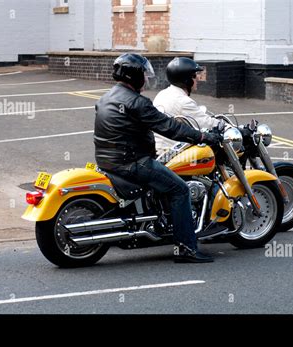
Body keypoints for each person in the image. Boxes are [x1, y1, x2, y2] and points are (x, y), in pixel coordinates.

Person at [94, 53, 221, 263]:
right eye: (144, 74)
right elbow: (168, 127)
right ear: (134, 76)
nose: (146, 78)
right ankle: (186, 248)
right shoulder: (137, 102)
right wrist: (202, 136)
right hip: (133, 163)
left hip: (108, 161)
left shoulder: (106, 97)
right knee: (180, 190)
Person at [153, 57, 221, 155]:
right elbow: (206, 123)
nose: (197, 78)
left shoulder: (162, 93)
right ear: (186, 80)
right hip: (172, 152)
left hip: (159, 149)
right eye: (194, 76)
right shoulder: (183, 101)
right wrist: (228, 127)